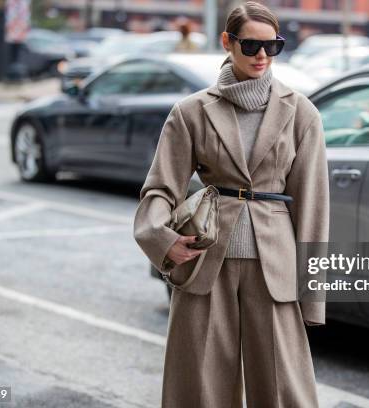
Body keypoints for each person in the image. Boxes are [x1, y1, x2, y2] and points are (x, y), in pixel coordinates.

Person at [133, 2, 329, 407]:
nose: (262, 56)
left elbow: (313, 208)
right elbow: (160, 189)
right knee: (200, 388)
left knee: (283, 391)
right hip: (205, 260)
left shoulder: (301, 113)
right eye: (251, 45)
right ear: (227, 41)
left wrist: (313, 293)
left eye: (272, 47)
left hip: (274, 264)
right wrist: (160, 239)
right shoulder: (190, 112)